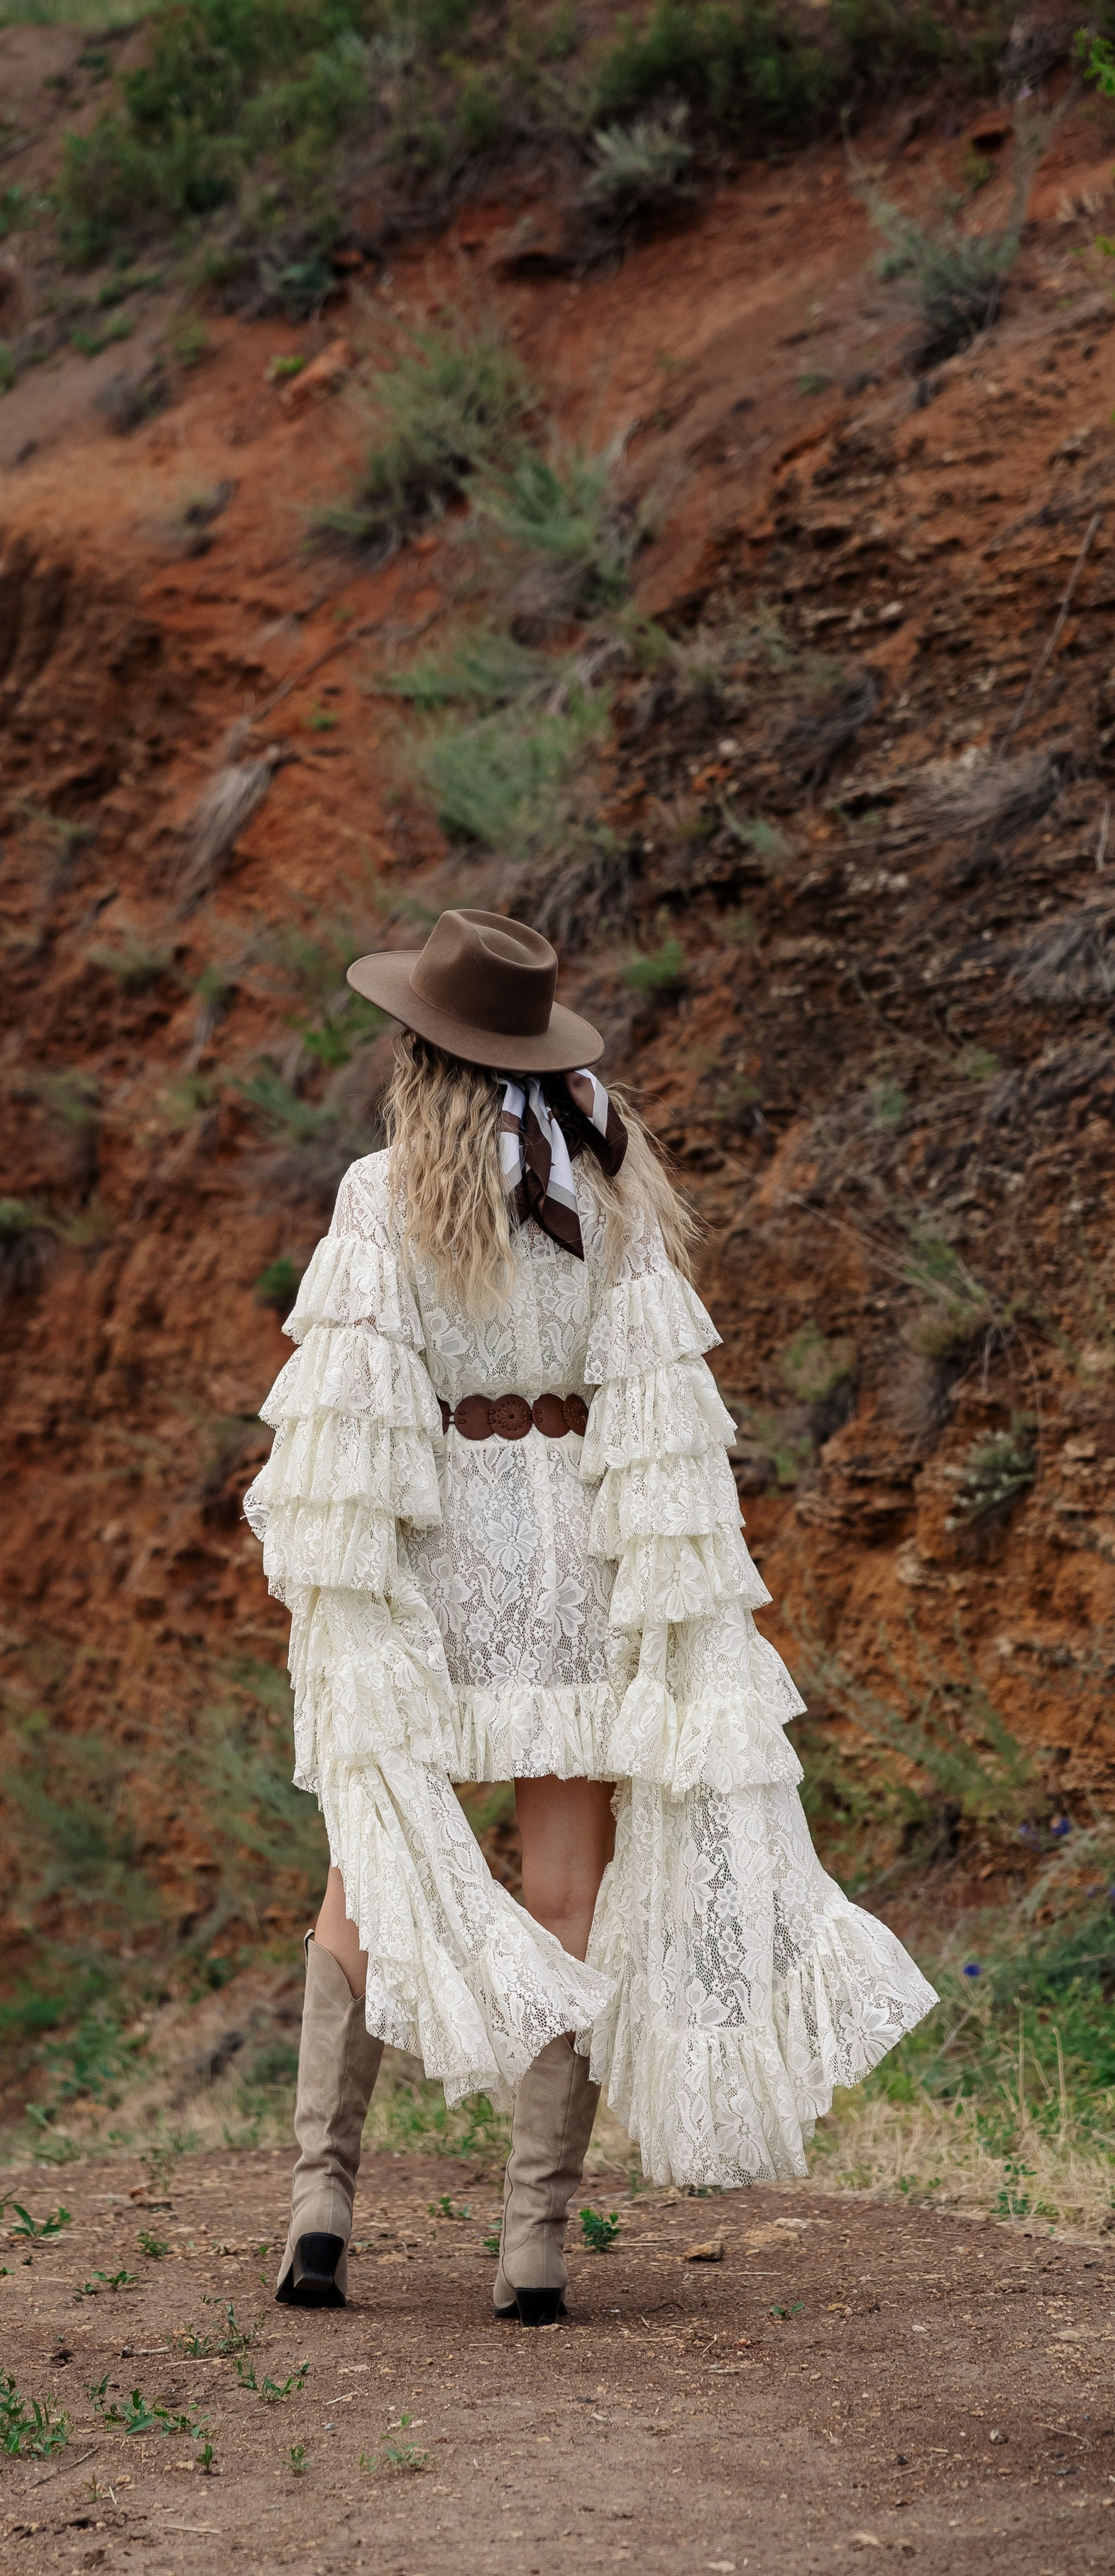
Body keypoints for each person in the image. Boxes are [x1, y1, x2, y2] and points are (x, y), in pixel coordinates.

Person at [244, 910, 935, 2324]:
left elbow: (350, 1418)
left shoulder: (380, 1197)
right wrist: (667, 1592)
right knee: (567, 1891)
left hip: (437, 1557)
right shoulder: (608, 1193)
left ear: (417, 1053)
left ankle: (320, 2208)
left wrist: (348, 1586)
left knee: (369, 1876)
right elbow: (660, 1428)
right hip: (573, 1563)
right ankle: (530, 2244)